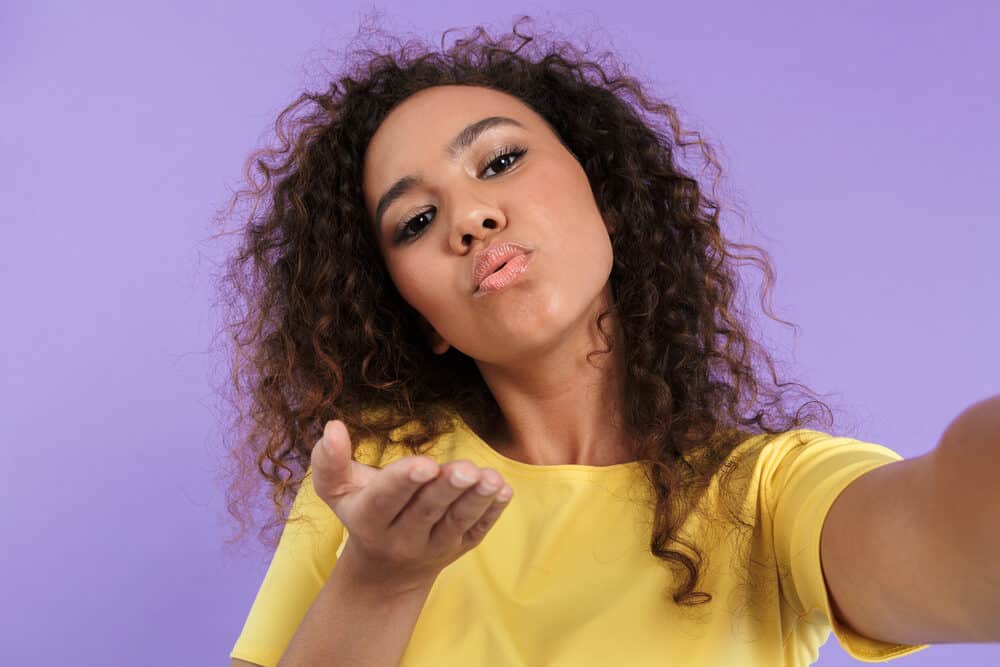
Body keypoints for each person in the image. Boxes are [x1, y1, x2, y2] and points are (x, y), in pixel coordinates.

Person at [216, 16, 933, 666]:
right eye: (416, 220)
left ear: (609, 199)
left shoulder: (766, 493)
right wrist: (380, 578)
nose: (468, 217)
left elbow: (941, 542)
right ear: (419, 315)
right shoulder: (373, 479)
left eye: (497, 162)